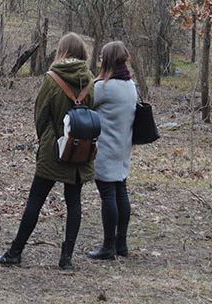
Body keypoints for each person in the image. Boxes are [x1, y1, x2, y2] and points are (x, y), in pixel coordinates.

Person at [0, 32, 94, 270]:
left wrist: (46, 137)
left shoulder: (52, 78)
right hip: (81, 149)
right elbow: (91, 112)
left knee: (35, 200)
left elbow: (41, 115)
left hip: (53, 147)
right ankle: (66, 259)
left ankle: (15, 252)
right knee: (74, 202)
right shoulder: (90, 79)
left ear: (62, 50)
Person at [86, 41, 137, 260]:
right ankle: (121, 243)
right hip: (123, 146)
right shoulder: (130, 85)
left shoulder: (104, 88)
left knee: (108, 194)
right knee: (120, 191)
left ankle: (108, 246)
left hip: (106, 148)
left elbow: (83, 102)